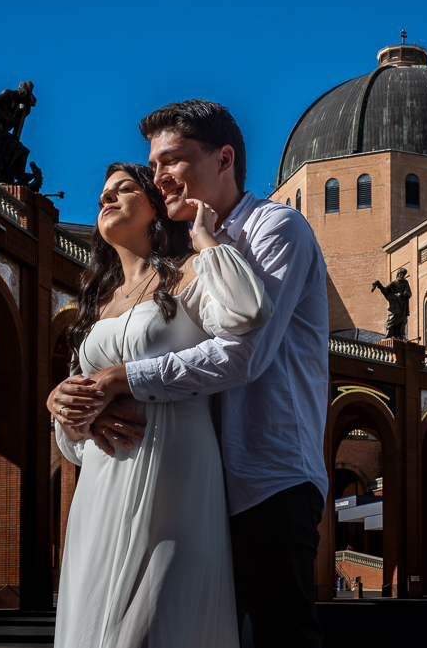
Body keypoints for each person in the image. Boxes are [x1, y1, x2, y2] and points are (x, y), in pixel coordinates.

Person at [50, 100, 329, 646]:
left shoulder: (277, 228)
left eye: (172, 160)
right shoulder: (172, 272)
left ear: (224, 159)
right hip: (195, 480)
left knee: (280, 635)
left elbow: (244, 354)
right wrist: (67, 403)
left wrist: (120, 379)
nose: (159, 177)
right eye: (153, 166)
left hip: (266, 476)